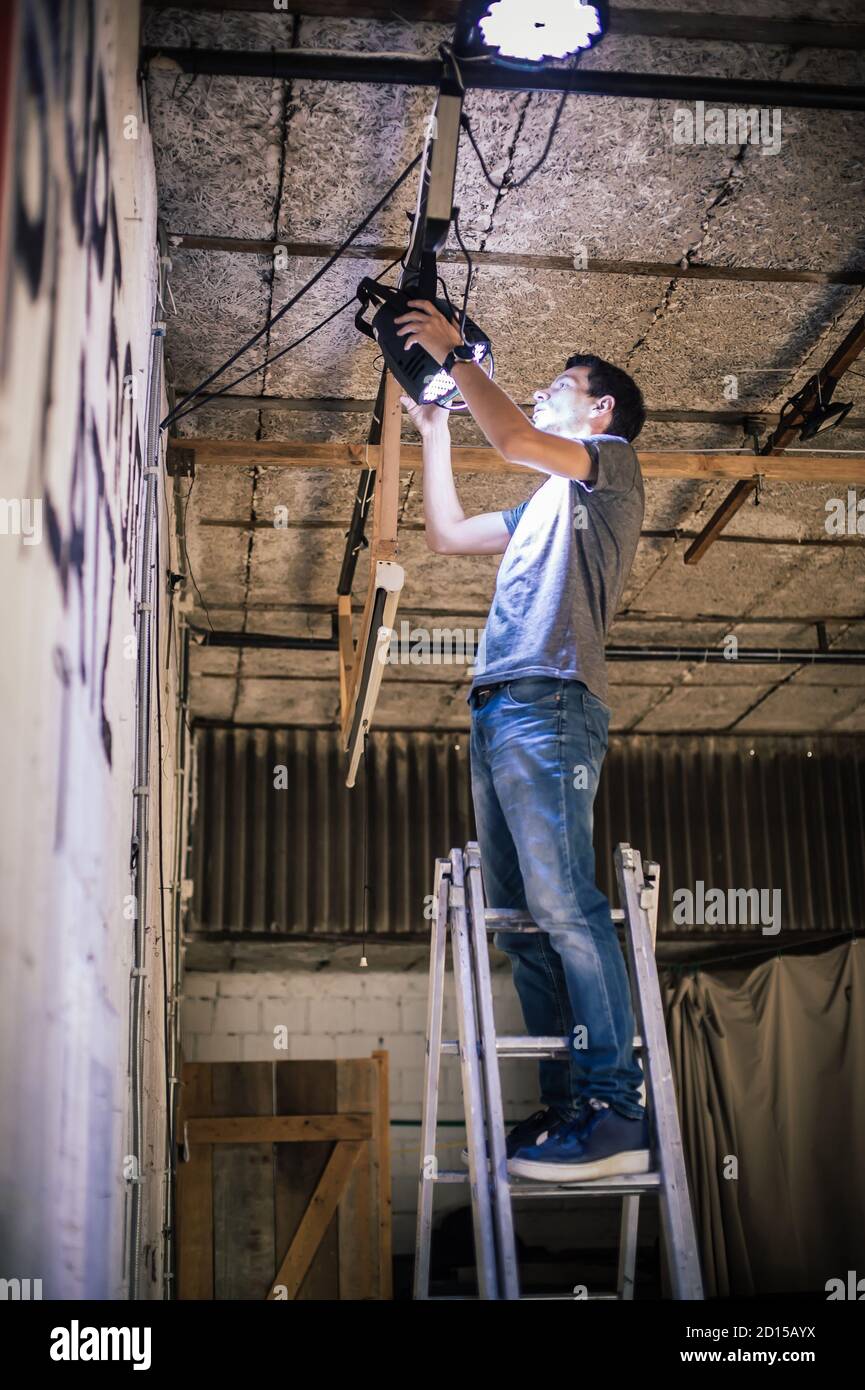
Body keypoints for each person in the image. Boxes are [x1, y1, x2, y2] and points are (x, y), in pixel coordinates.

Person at [397, 297, 649, 1182]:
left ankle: (617, 1106)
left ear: (600, 411)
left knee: (564, 905)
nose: (544, 396)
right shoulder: (546, 499)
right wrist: (434, 428)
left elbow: (508, 437)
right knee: (523, 928)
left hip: (551, 702)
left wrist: (459, 354)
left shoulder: (607, 469)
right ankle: (569, 1104)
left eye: (560, 388)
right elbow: (447, 533)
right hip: (501, 706)